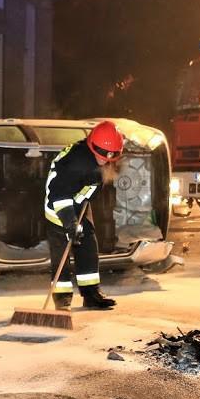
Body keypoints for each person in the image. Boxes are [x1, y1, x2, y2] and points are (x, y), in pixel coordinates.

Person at [43, 120, 123, 310]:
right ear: (92, 146)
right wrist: (70, 223)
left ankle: (91, 295)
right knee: (61, 254)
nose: (105, 160)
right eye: (102, 155)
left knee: (88, 245)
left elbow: (92, 183)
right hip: (58, 209)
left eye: (111, 157)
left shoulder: (97, 158)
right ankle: (62, 298)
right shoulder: (76, 163)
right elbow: (59, 194)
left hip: (79, 206)